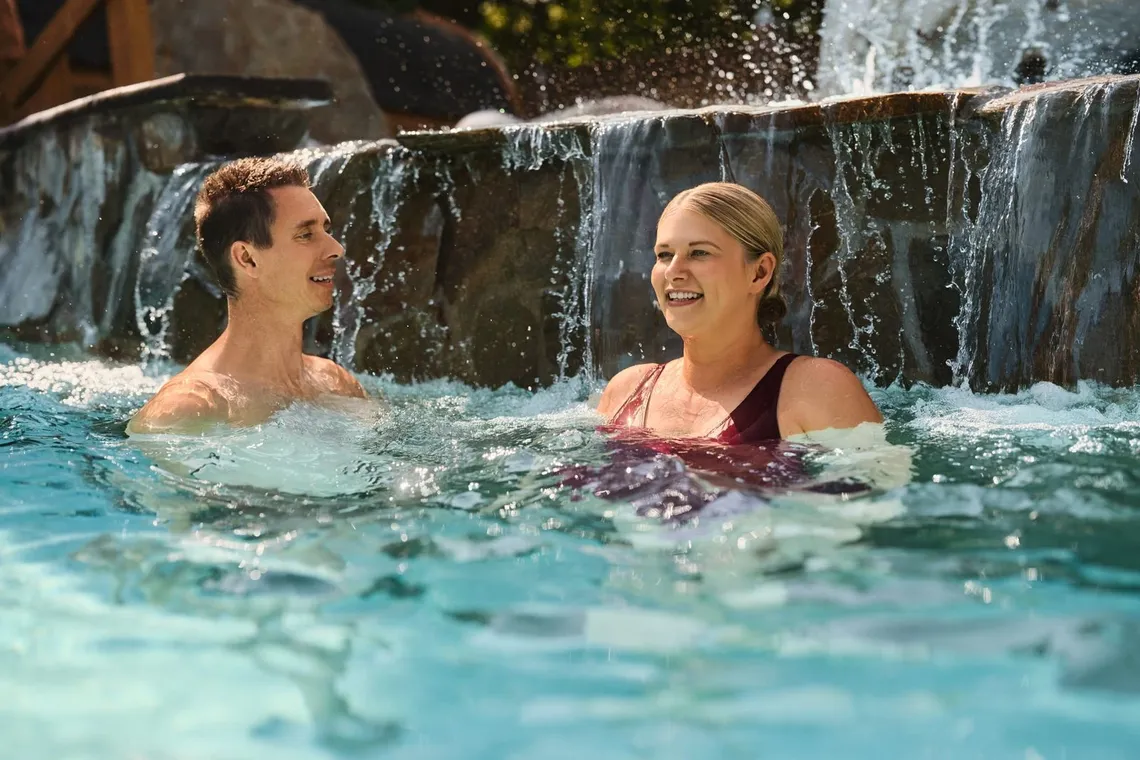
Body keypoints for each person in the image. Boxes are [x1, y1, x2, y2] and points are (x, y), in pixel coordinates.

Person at [596, 182, 883, 442]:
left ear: (759, 272)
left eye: (699, 253)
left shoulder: (815, 389)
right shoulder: (627, 392)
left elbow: (883, 498)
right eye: (664, 254)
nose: (673, 271)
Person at [128, 157, 366, 435]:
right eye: (305, 234)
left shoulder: (336, 384)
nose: (336, 248)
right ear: (247, 259)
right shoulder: (189, 409)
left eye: (326, 230)